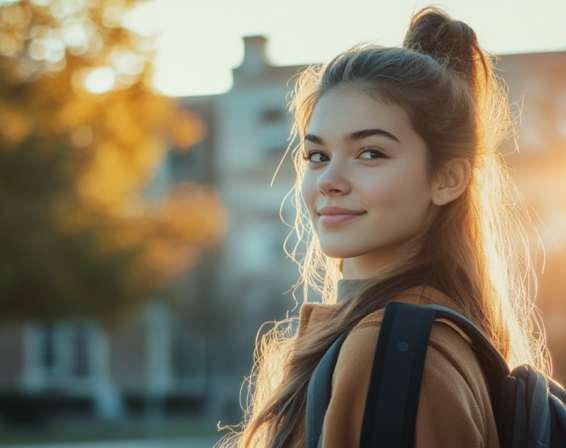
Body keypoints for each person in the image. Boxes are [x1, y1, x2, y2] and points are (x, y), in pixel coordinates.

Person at [222, 6, 548, 448]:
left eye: (370, 153)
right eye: (317, 156)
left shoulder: (389, 352)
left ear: (447, 178)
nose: (329, 182)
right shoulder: (409, 338)